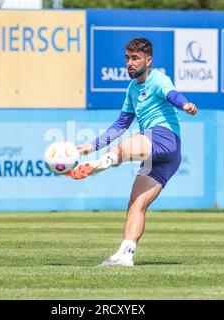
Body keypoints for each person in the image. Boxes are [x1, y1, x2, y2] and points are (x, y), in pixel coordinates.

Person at [69, 37, 198, 267]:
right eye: (127, 58)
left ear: (148, 60)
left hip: (164, 137)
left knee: (122, 148)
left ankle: (105, 162)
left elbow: (173, 95)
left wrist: (185, 104)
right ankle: (125, 254)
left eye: (135, 58)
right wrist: (89, 146)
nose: (129, 63)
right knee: (136, 203)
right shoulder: (131, 88)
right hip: (163, 158)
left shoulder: (158, 79)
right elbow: (120, 125)